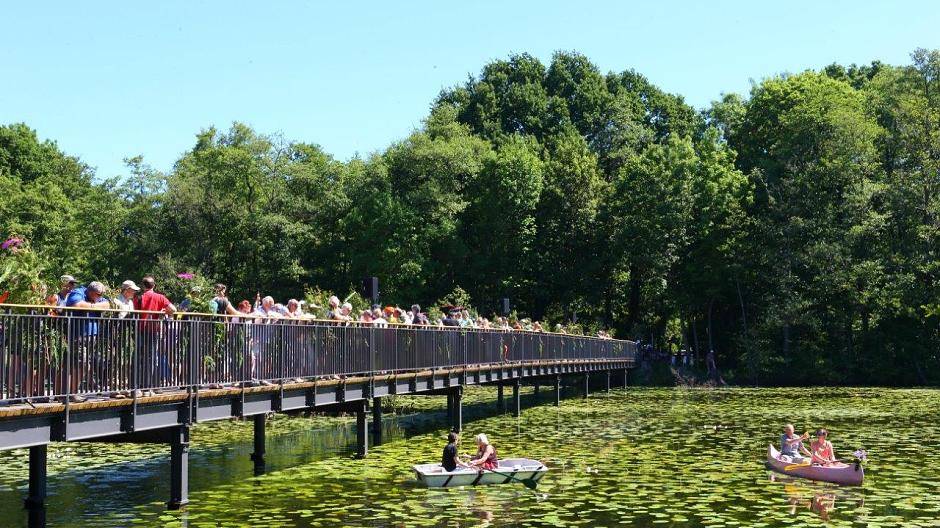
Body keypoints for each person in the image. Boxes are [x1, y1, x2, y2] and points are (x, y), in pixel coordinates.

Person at [65, 281, 110, 400]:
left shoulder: (98, 297)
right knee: (82, 364)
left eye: (101, 295)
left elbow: (107, 305)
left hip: (92, 336)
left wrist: (90, 305)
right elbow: (77, 305)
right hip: (77, 335)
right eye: (98, 295)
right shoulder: (78, 292)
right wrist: (93, 306)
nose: (100, 297)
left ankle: (71, 392)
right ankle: (72, 393)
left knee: (82, 365)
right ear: (90, 292)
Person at [134, 276, 177, 395]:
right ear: (154, 285)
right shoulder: (160, 297)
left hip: (140, 329)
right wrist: (163, 312)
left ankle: (137, 387)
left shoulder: (138, 297)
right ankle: (148, 388)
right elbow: (173, 309)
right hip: (154, 330)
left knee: (139, 357)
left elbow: (135, 312)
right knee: (151, 358)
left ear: (143, 286)